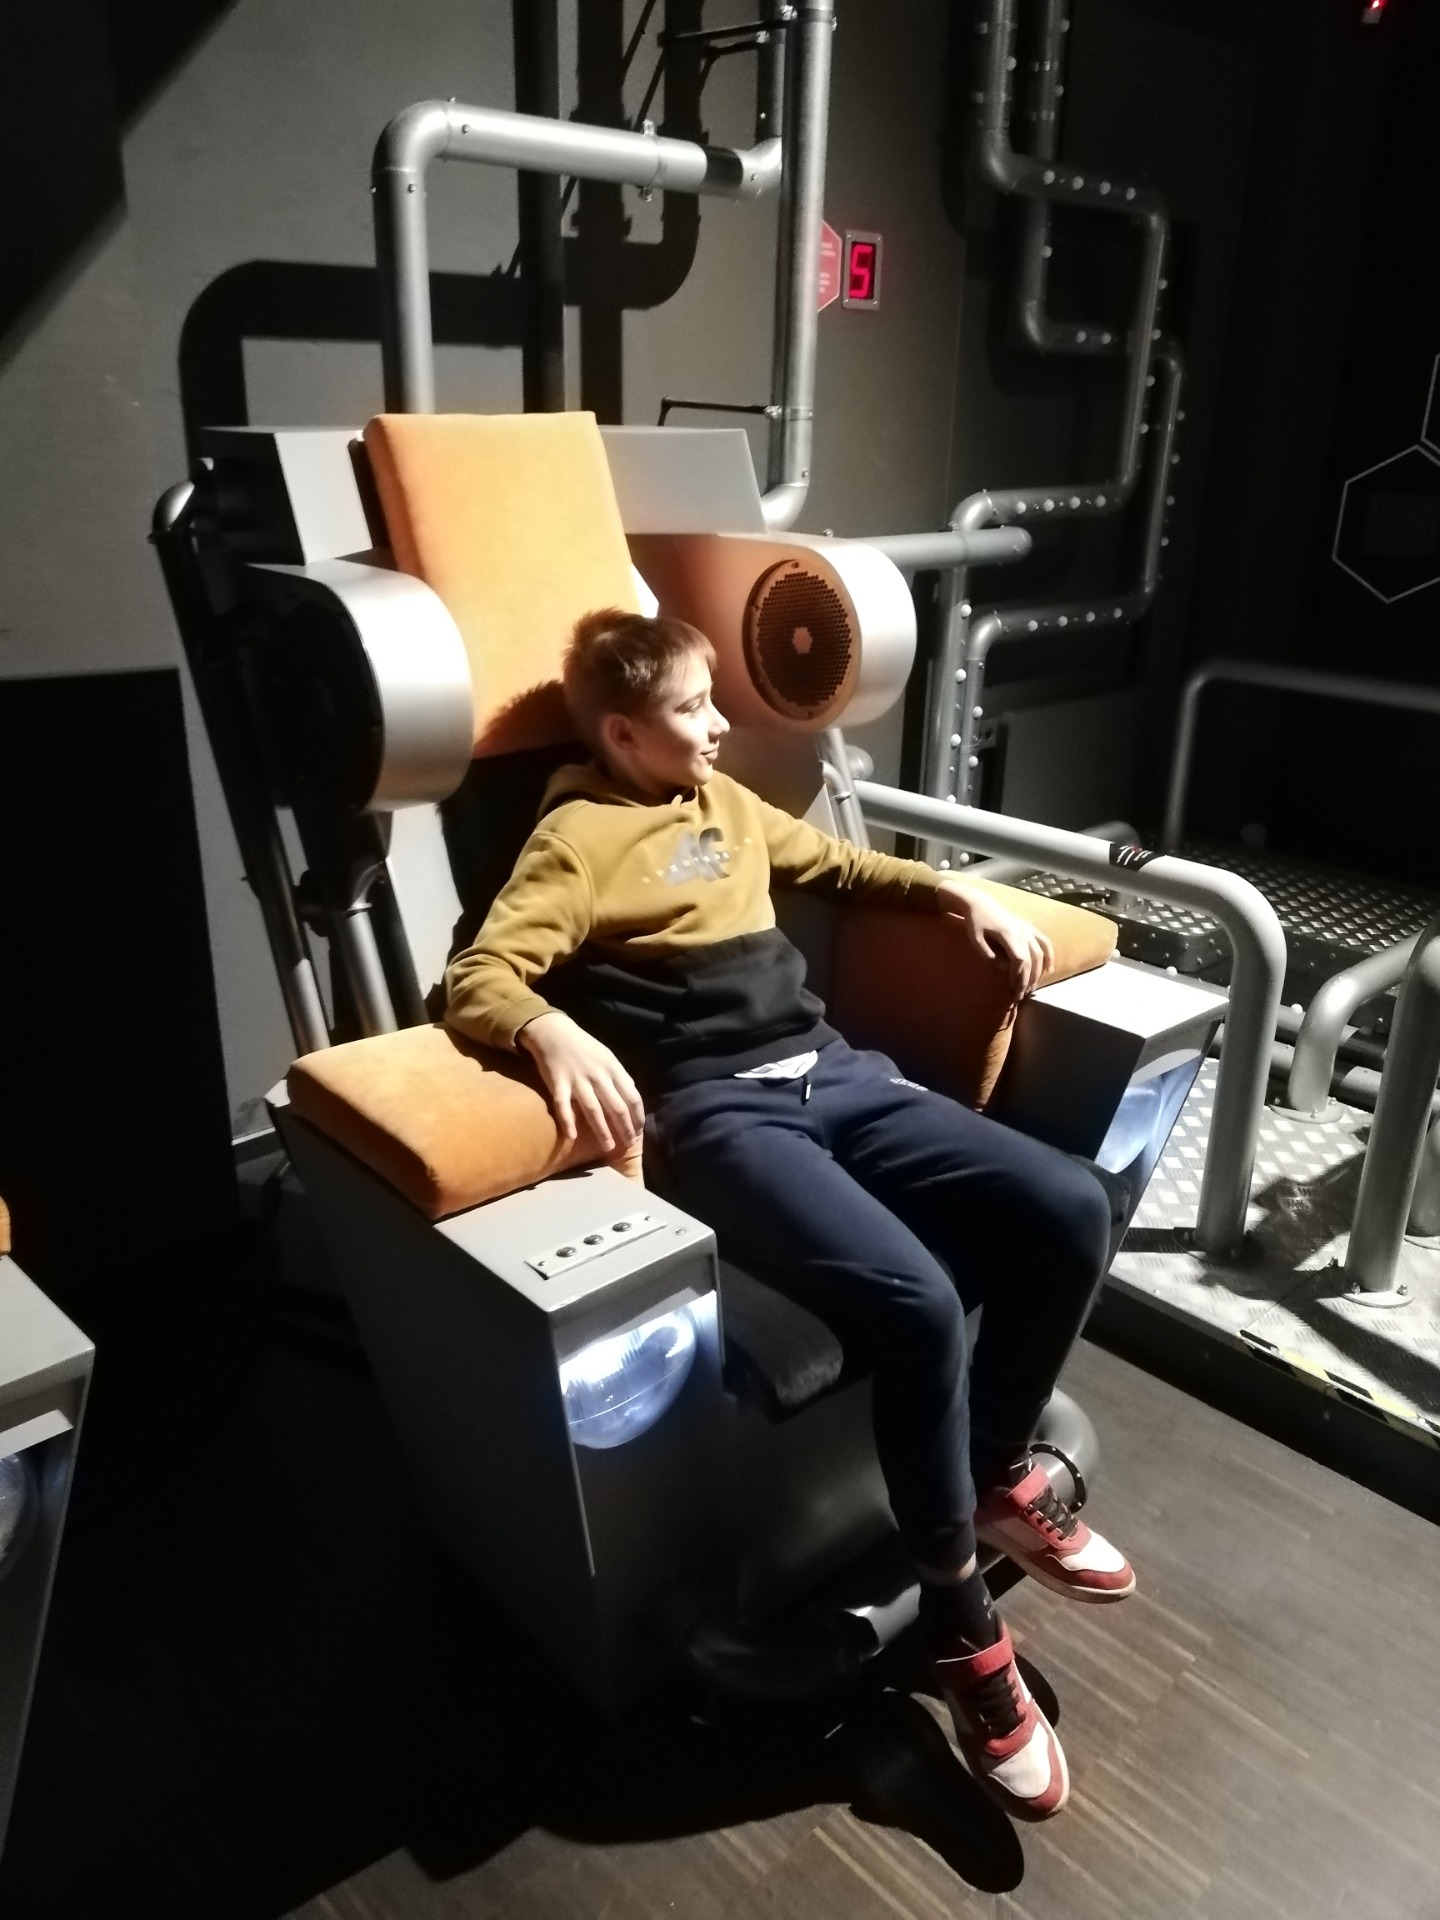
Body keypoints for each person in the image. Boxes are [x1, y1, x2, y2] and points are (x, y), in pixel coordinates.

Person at [445, 608, 1131, 1822]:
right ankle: (961, 1623)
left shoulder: (726, 804)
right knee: (918, 1301)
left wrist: (954, 896)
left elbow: (845, 868)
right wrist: (548, 1028)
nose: (721, 725)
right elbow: (480, 976)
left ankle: (990, 1473)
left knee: (1071, 1205)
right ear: (622, 733)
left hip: (838, 1075)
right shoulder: (576, 838)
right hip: (721, 1116)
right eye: (692, 709)